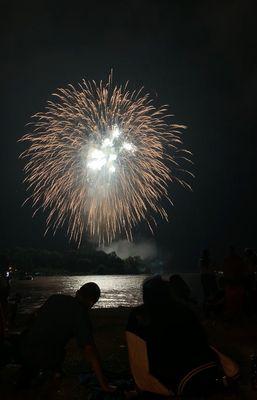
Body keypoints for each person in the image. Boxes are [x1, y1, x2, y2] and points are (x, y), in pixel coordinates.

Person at [126, 276, 239, 397]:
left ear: (145, 295)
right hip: (209, 370)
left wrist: (148, 388)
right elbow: (204, 343)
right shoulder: (185, 310)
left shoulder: (140, 317)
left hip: (183, 381)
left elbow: (139, 367)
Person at [19, 282, 115, 392]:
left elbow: (33, 317)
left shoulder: (54, 298)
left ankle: (38, 370)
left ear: (78, 292)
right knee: (57, 352)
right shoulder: (81, 315)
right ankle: (50, 372)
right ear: (91, 302)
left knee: (51, 345)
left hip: (23, 346)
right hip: (43, 355)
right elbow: (89, 350)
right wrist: (103, 384)